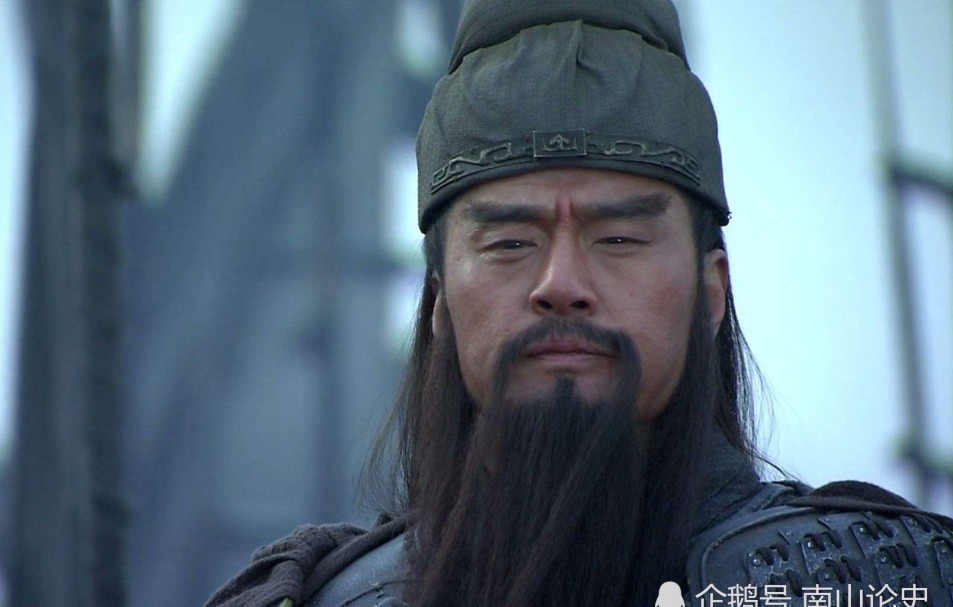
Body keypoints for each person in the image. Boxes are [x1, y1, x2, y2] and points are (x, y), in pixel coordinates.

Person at [205, 1, 953, 606]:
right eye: (509, 242)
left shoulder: (880, 578)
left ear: (711, 293)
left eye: (618, 238)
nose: (560, 282)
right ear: (438, 302)